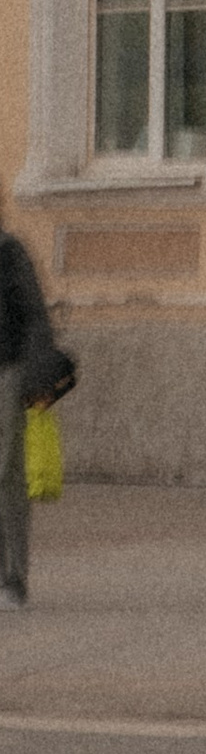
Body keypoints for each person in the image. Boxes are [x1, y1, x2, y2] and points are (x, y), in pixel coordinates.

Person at [1, 217, 65, 610]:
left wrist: (37, 376)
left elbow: (35, 316)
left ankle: (13, 576)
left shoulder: (9, 252)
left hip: (7, 371)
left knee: (7, 473)